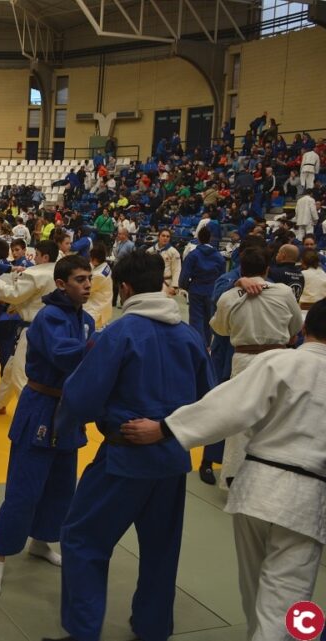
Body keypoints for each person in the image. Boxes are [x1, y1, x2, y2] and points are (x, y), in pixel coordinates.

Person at [121, 300, 326, 641]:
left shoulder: (280, 361)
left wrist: (165, 428)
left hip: (257, 489)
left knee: (255, 589)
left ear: (304, 329)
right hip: (305, 500)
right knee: (286, 602)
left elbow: (226, 407)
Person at [44, 250, 214, 641]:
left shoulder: (119, 334)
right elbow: (209, 399)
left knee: (82, 538)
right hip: (172, 459)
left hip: (125, 458)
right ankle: (153, 628)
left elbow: (82, 396)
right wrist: (169, 427)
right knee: (161, 548)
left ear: (124, 288)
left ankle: (83, 632)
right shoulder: (189, 335)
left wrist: (64, 430)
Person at [0, 255, 94, 599]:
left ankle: (41, 541)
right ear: (61, 284)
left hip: (69, 408)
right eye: (79, 279)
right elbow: (64, 354)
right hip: (41, 406)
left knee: (61, 487)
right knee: (24, 489)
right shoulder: (48, 317)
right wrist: (104, 344)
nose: (87, 285)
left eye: (89, 278)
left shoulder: (87, 319)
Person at [210, 248, 302, 488]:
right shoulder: (283, 292)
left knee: (240, 423)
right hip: (279, 359)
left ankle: (233, 479)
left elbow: (220, 329)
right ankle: (269, 481)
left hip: (244, 359)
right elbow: (296, 326)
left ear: (240, 270)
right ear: (267, 269)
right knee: (275, 420)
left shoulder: (229, 296)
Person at [0, 240, 59, 412]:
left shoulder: (36, 273)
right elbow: (35, 298)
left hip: (32, 329)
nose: (34, 258)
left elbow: (13, 294)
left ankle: (31, 413)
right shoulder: (58, 271)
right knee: (11, 368)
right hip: (50, 328)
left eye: (37, 255)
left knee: (19, 375)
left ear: (45, 257)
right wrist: (19, 307)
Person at [179, 227, 227, 347]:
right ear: (210, 239)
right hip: (212, 290)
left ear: (198, 239)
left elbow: (184, 275)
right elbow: (222, 277)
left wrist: (186, 286)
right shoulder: (219, 256)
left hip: (196, 289)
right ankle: (207, 345)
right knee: (209, 319)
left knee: (196, 319)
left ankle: (198, 345)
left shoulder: (193, 255)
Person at [83, 246, 112, 328]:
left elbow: (86, 289)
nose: (89, 260)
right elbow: (91, 266)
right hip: (103, 301)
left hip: (96, 307)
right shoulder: (105, 266)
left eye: (90, 258)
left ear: (95, 260)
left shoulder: (98, 275)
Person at [147, 229, 181, 296]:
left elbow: (177, 270)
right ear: (158, 237)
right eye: (163, 236)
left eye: (168, 236)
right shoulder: (150, 251)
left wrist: (174, 286)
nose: (165, 238)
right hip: (151, 282)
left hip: (166, 282)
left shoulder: (174, 252)